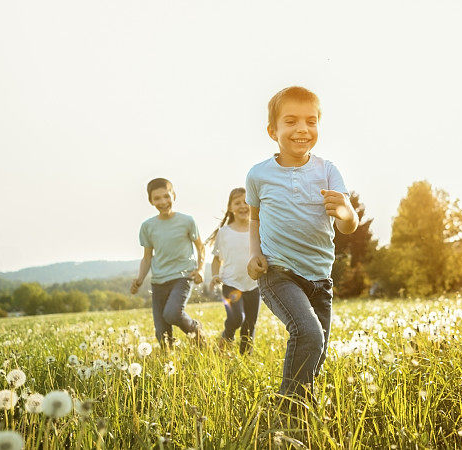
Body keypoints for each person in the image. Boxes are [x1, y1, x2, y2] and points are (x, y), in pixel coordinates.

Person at [245, 86, 359, 401]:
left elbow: (348, 225)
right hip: (278, 272)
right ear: (273, 130)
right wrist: (254, 254)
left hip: (320, 278)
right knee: (308, 335)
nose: (302, 129)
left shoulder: (328, 170)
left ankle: (294, 412)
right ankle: (288, 415)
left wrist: (345, 211)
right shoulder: (258, 175)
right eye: (291, 121)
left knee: (315, 353)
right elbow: (254, 220)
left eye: (311, 121)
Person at [130, 178, 206, 350]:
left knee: (172, 313)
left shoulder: (187, 221)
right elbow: (147, 257)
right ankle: (170, 365)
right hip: (158, 282)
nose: (163, 202)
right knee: (162, 333)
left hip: (182, 277)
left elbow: (201, 248)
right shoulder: (147, 226)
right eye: (157, 198)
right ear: (151, 201)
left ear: (174, 195)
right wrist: (139, 279)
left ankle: (195, 329)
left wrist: (201, 269)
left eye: (166, 196)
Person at [206, 187, 259, 355]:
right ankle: (226, 339)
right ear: (230, 208)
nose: (243, 206)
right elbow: (216, 259)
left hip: (253, 285)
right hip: (231, 283)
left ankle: (245, 359)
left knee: (249, 326)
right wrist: (215, 275)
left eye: (246, 202)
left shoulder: (259, 229)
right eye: (237, 203)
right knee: (236, 318)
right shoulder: (224, 233)